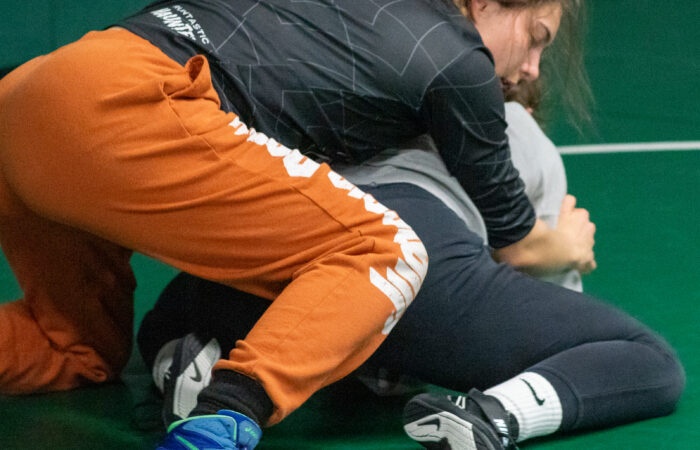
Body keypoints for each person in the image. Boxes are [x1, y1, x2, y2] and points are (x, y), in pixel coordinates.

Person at [128, 2, 685, 450]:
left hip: (298, 248)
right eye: (536, 40)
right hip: (416, 261)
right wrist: (569, 249)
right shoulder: (513, 126)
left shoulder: (373, 83)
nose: (534, 66)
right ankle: (495, 414)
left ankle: (185, 361)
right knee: (649, 361)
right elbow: (530, 278)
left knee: (171, 315)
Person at [0, 4, 430, 450]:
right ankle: (221, 420)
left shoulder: (352, 23)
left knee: (76, 351)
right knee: (383, 248)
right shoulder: (440, 49)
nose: (511, 76)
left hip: (23, 97)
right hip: (123, 92)